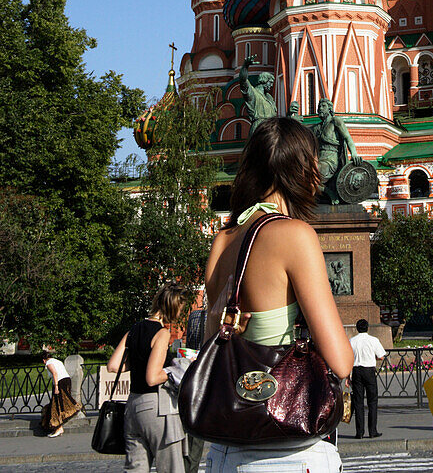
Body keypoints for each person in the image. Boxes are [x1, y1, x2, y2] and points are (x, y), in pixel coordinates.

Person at [204, 116, 353, 473]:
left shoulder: (222, 241)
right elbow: (341, 360)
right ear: (304, 169)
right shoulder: (295, 235)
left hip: (226, 447)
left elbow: (213, 342)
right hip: (285, 446)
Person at [107, 282, 189, 473]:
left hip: (133, 405)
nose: (180, 313)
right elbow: (153, 377)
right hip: (157, 407)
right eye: (181, 308)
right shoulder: (161, 333)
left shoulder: (133, 329)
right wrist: (174, 370)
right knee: (171, 468)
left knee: (135, 468)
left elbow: (113, 366)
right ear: (173, 306)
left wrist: (138, 361)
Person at [349, 319, 386, 439]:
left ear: (357, 328)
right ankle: (372, 431)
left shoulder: (351, 341)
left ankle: (359, 432)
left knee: (358, 402)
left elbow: (348, 357)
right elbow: (381, 356)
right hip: (369, 371)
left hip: (356, 371)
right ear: (367, 328)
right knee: (372, 402)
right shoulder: (373, 340)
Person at [40, 350, 81, 437]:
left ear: (44, 360)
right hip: (67, 380)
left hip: (60, 382)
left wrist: (56, 386)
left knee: (56, 405)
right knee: (61, 403)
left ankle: (58, 428)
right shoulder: (57, 361)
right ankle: (59, 427)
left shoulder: (49, 362)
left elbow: (55, 373)